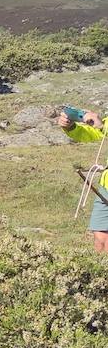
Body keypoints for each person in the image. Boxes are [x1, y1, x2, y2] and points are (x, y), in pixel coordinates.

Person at [60, 108, 108, 252]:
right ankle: (100, 273)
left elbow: (102, 128)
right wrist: (71, 126)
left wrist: (101, 126)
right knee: (101, 239)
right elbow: (90, 133)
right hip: (106, 188)